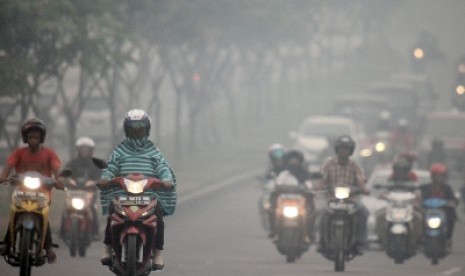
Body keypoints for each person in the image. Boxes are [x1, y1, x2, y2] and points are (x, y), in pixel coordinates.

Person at [97, 109, 176, 271]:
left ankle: (158, 251)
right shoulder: (120, 150)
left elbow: (162, 166)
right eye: (133, 128)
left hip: (148, 194)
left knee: (158, 215)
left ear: (147, 129)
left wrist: (166, 179)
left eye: (140, 128)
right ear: (126, 129)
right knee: (112, 212)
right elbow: (111, 166)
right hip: (123, 194)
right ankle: (107, 247)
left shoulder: (153, 150)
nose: (136, 131)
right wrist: (106, 177)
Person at [0, 118, 64, 263]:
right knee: (14, 210)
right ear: (25, 138)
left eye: (36, 137)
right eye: (30, 137)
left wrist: (59, 180)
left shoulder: (49, 154)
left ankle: (48, 248)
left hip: (43, 193)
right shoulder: (19, 153)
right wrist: (3, 177)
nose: (33, 140)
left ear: (41, 138)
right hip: (21, 192)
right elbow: (8, 167)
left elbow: (56, 169)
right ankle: (7, 242)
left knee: (43, 212)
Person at [317, 135, 369, 254]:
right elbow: (322, 178)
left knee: (363, 212)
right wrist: (319, 187)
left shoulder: (354, 165)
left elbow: (361, 180)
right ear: (337, 149)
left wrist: (363, 189)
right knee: (322, 213)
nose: (343, 151)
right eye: (341, 148)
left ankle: (360, 242)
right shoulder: (329, 163)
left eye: (346, 148)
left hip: (351, 200)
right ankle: (322, 241)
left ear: (350, 151)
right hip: (332, 199)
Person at [375, 159, 423, 249]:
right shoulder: (390, 180)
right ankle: (383, 240)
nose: (401, 173)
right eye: (398, 170)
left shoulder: (413, 181)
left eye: (403, 171)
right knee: (379, 216)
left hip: (408, 208)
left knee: (419, 218)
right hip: (392, 208)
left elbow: (418, 192)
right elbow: (384, 191)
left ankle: (414, 241)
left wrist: (417, 196)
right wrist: (383, 195)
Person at [269, 150, 315, 242]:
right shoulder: (283, 174)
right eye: (291, 160)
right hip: (284, 203)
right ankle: (275, 231)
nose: (294, 162)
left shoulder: (305, 174)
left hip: (300, 204)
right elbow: (277, 185)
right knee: (273, 211)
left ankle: (308, 233)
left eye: (296, 160)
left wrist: (309, 190)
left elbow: (309, 186)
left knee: (311, 213)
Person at [62, 136, 101, 240]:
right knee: (67, 208)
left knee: (92, 209)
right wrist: (67, 180)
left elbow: (100, 177)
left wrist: (96, 182)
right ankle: (62, 231)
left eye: (87, 149)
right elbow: (65, 175)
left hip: (89, 192)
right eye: (82, 149)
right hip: (73, 192)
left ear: (91, 151)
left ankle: (95, 232)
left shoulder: (95, 164)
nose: (85, 151)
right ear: (78, 150)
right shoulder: (72, 163)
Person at [420, 163, 457, 247]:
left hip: (443, 211)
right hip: (427, 211)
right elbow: (418, 196)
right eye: (437, 176)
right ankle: (420, 238)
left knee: (451, 219)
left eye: (441, 176)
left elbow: (453, 199)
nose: (439, 178)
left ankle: (448, 238)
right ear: (432, 176)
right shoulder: (425, 187)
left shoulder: (447, 188)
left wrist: (452, 203)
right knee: (418, 218)